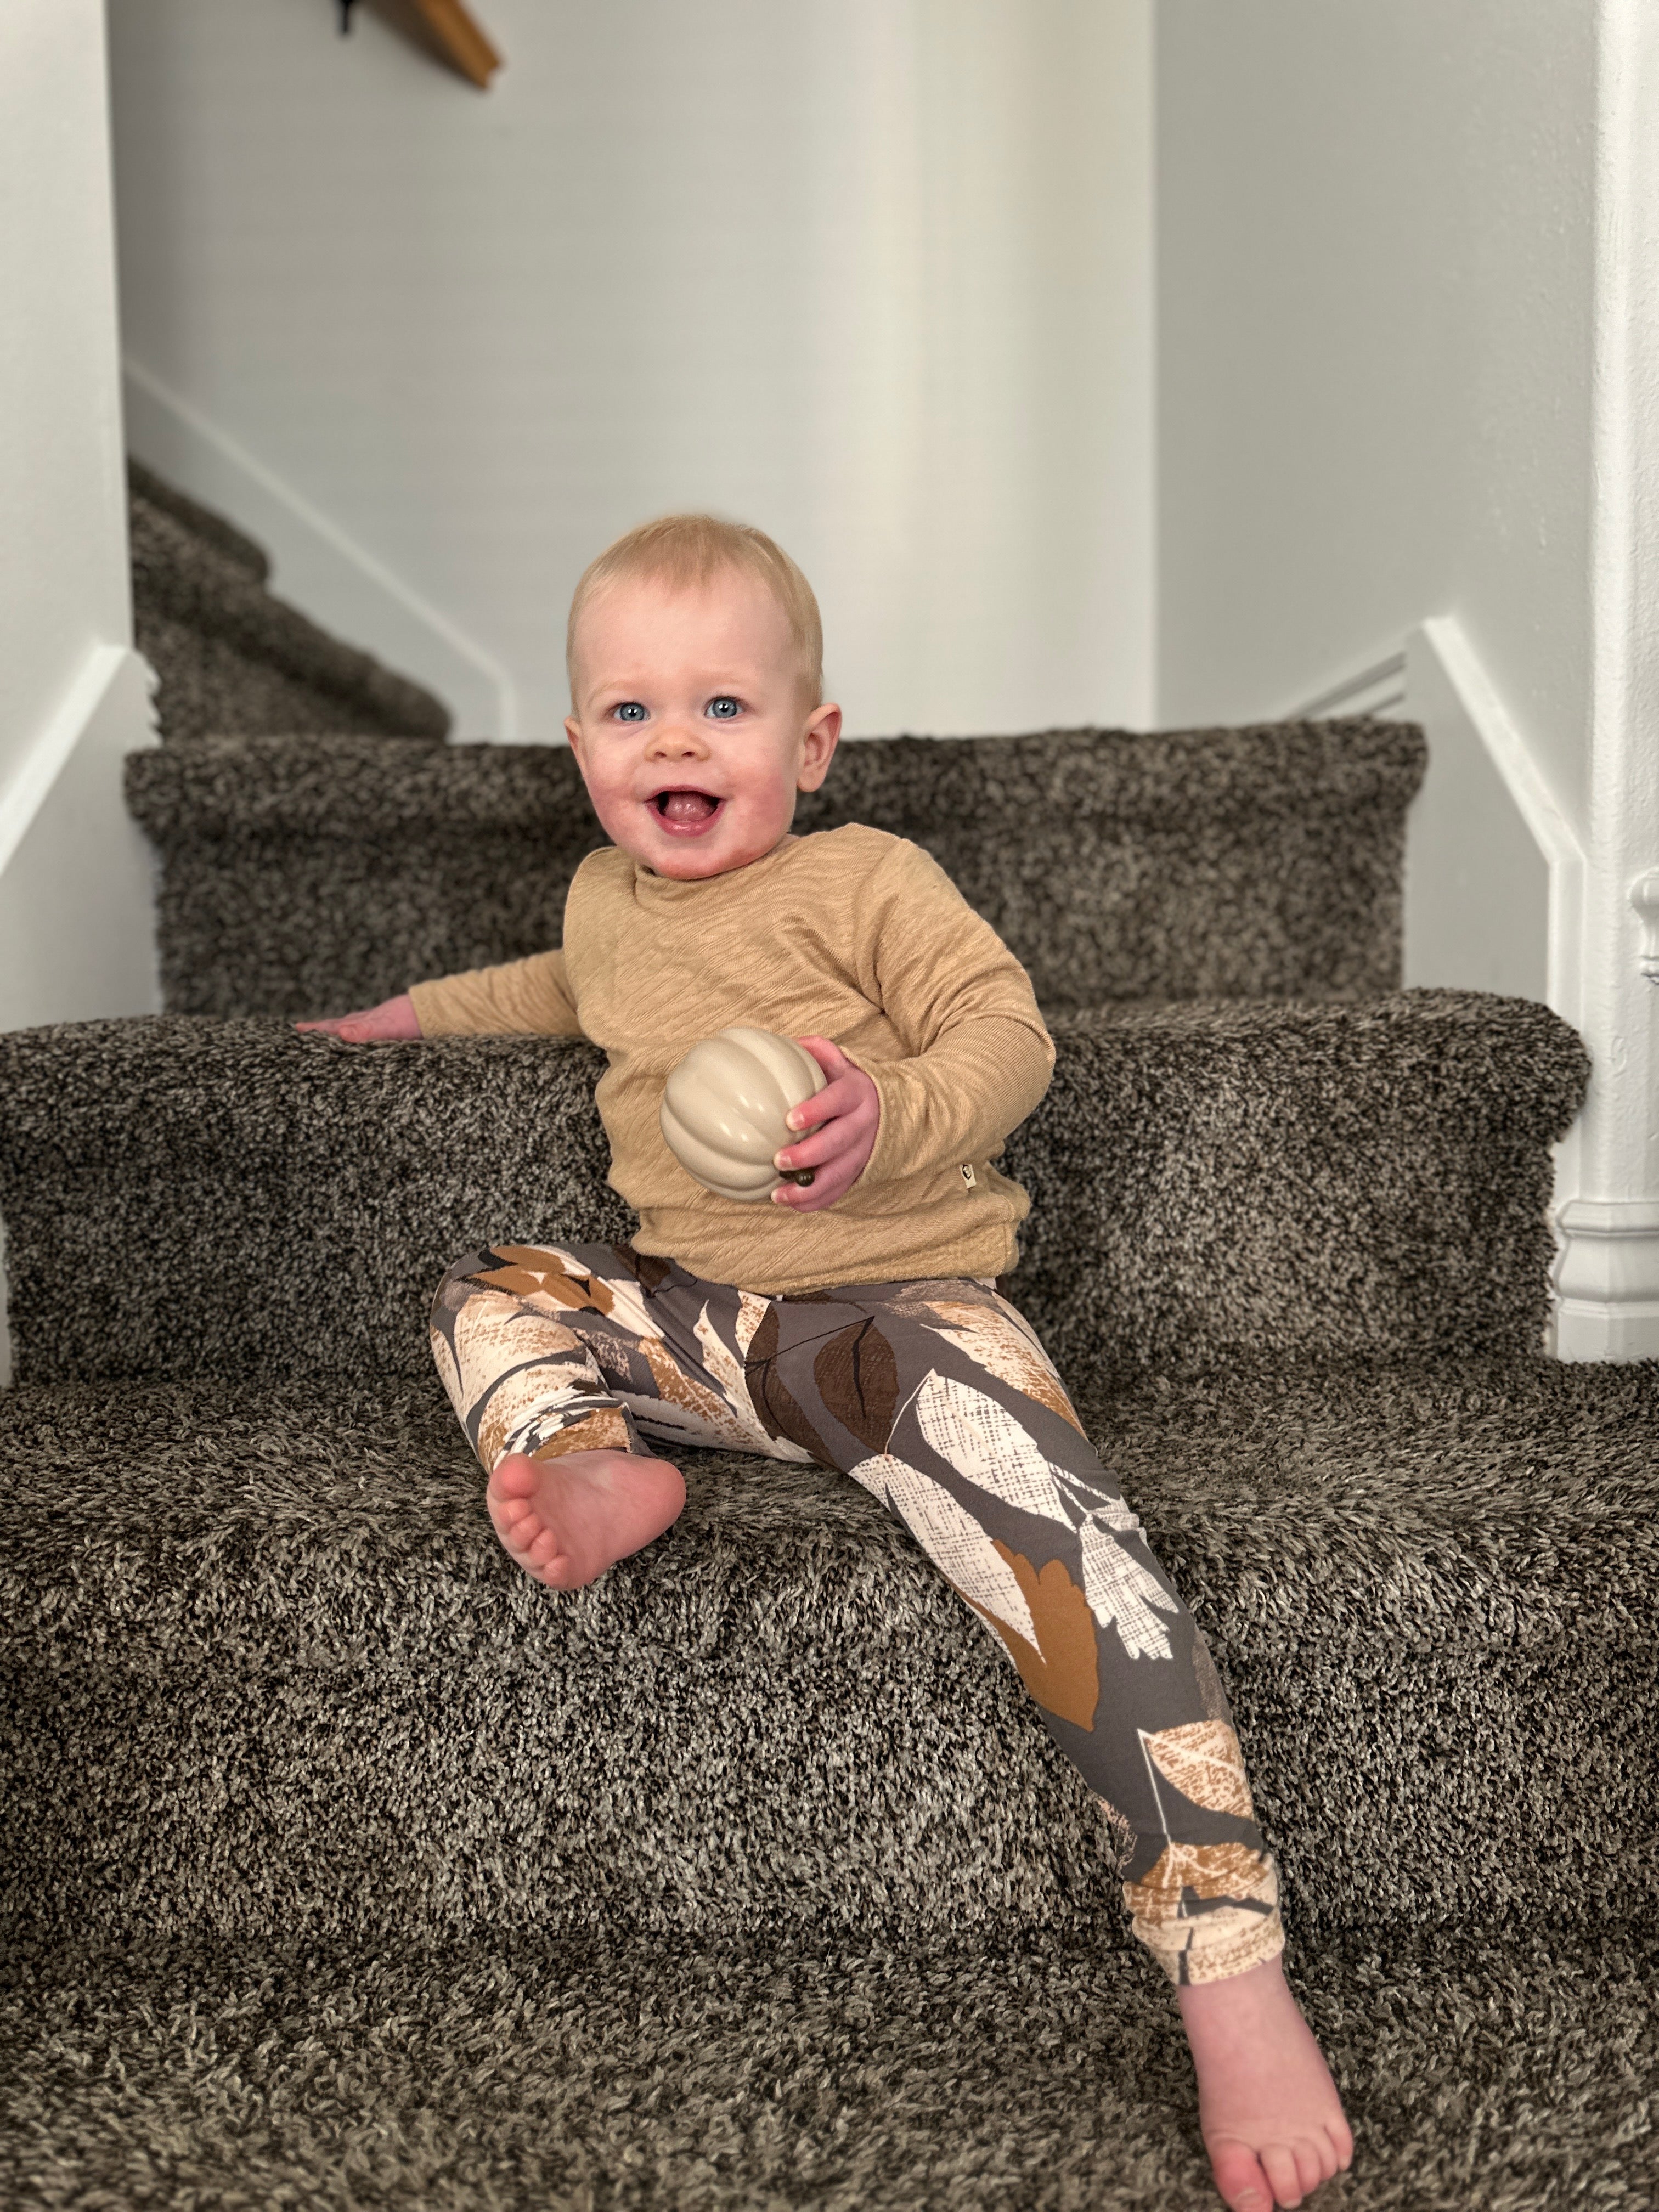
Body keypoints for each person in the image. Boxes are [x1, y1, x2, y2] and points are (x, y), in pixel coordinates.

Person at [301, 514, 1353, 2212]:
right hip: (706, 1325)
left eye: (723, 707)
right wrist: (406, 1019)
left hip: (899, 1318)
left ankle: (1230, 1978)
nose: (676, 744)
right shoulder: (607, 906)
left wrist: (895, 1118)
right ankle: (596, 1452)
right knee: (484, 1284)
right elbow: (553, 987)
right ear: (578, 749)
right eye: (631, 713)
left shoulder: (871, 883)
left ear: (812, 742)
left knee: (1091, 1577)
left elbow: (1007, 1032)